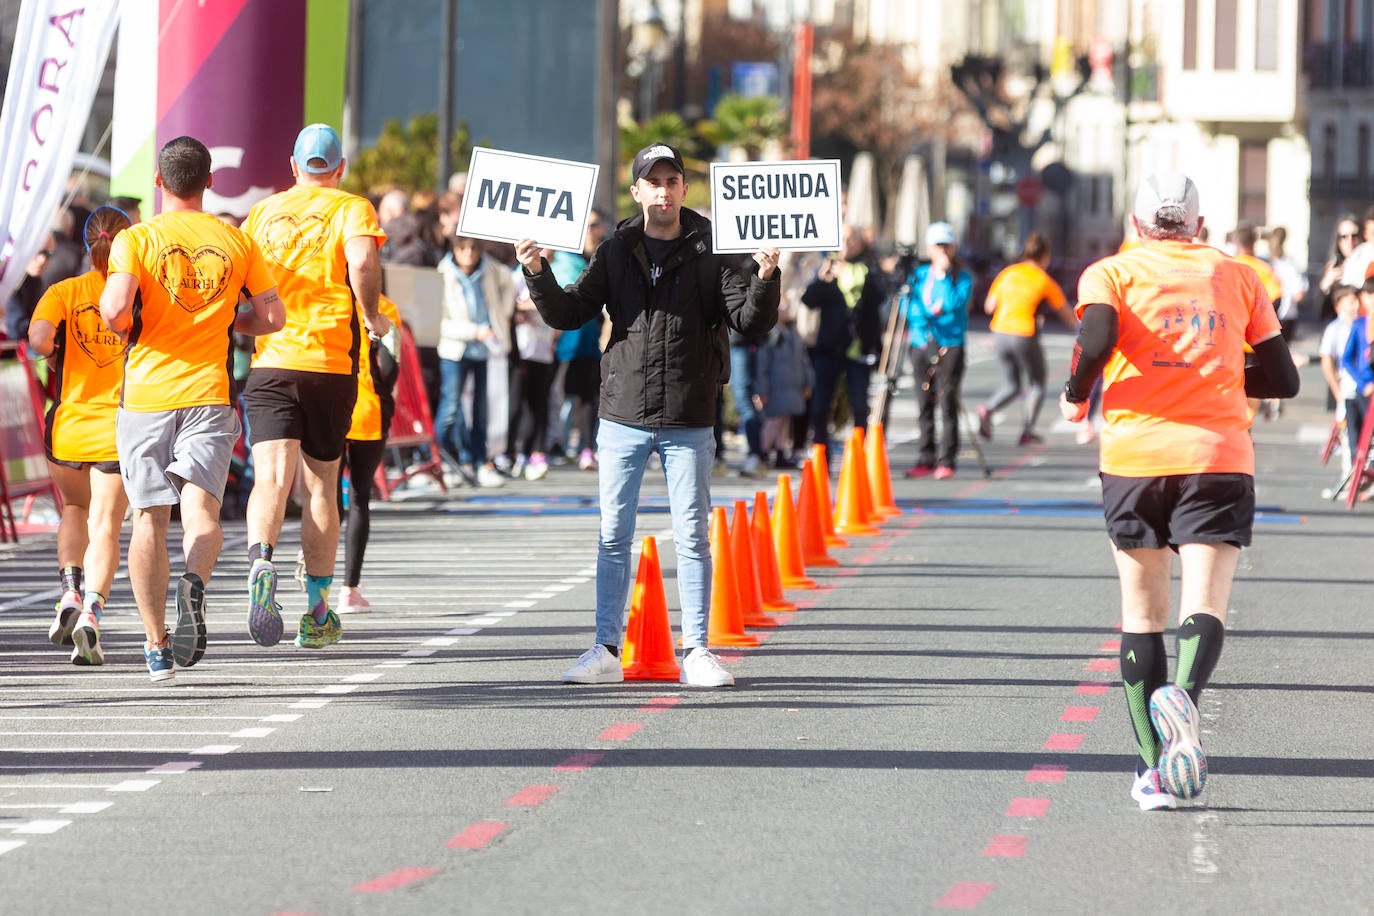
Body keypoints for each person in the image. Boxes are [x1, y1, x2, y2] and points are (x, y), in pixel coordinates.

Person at [1058, 171, 1299, 811]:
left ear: (1135, 225)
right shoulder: (1240, 275)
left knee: (1141, 615)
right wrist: (1216, 368)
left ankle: (1150, 773)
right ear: (1197, 224)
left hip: (1136, 457)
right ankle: (1183, 703)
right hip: (1218, 455)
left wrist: (1077, 393)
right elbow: (1282, 378)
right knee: (1206, 604)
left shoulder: (1110, 273)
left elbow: (1100, 339)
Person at [516, 142, 780, 688]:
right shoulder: (616, 249)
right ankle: (605, 649)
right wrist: (536, 270)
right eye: (652, 181)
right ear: (636, 191)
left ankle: (698, 651)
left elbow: (748, 321)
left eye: (672, 180)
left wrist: (766, 277)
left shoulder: (714, 246)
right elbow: (570, 312)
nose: (663, 190)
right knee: (614, 535)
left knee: (691, 536)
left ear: (685, 188)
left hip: (690, 412)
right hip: (623, 413)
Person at [99, 135, 284, 682]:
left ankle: (156, 647)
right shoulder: (235, 241)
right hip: (209, 393)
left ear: (159, 183)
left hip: (148, 396)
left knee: (148, 520)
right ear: (209, 181)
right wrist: (231, 321)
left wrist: (134, 323)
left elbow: (113, 311)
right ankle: (194, 586)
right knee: (203, 518)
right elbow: (273, 318)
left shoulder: (136, 239)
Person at [241, 123, 390, 651]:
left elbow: (240, 279)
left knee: (270, 480)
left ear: (293, 166)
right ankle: (319, 611)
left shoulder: (261, 213)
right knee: (322, 487)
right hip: (329, 363)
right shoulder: (351, 208)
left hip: (272, 360)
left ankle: (261, 558)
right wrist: (371, 316)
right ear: (340, 168)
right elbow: (364, 261)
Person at [29, 206, 132, 666]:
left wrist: (56, 354)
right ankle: (91, 613)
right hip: (119, 427)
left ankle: (69, 593)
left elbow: (36, 338)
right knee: (105, 525)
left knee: (74, 510)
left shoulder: (65, 291)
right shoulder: (137, 295)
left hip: (68, 426)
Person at [975, 231, 1077, 446]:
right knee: (1037, 382)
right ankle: (1027, 430)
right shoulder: (1043, 279)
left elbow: (989, 306)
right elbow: (1065, 312)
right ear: (1045, 256)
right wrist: (1079, 330)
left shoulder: (1008, 273)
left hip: (1000, 331)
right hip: (1024, 332)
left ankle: (987, 409)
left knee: (1011, 383)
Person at [337, 294, 403, 613]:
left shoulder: (327, 297)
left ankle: (312, 565)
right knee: (360, 496)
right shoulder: (385, 308)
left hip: (331, 407)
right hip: (369, 411)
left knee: (324, 493)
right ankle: (350, 589)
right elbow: (391, 367)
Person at [799, 224, 884, 463]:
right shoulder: (828, 267)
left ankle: (860, 457)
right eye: (842, 240)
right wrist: (822, 281)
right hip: (829, 347)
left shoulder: (867, 268)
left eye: (851, 240)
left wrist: (875, 273)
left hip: (858, 349)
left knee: (859, 403)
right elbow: (809, 300)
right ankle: (820, 456)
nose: (846, 245)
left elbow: (880, 299)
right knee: (820, 405)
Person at [436, 234, 515, 487]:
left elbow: (509, 285)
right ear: (454, 249)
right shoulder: (443, 273)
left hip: (484, 350)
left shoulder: (490, 268)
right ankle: (443, 462)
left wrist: (501, 315)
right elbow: (441, 321)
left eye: (473, 247)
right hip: (455, 350)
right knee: (451, 408)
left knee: (481, 410)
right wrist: (474, 331)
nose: (468, 253)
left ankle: (480, 462)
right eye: (462, 248)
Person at [903, 222, 973, 479]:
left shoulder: (961, 277)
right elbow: (906, 307)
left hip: (950, 345)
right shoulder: (919, 275)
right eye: (937, 245)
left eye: (946, 245)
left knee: (947, 400)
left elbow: (955, 304)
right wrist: (924, 317)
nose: (942, 250)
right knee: (924, 402)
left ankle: (947, 459)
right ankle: (925, 456)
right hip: (921, 343)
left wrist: (944, 276)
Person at [547, 210, 607, 468]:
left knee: (590, 396)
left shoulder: (599, 258)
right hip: (563, 344)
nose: (593, 231)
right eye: (588, 226)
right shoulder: (563, 260)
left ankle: (586, 448)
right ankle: (555, 443)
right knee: (562, 397)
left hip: (589, 341)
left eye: (596, 226)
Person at [505, 248, 557, 480]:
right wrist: (536, 306)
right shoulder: (518, 274)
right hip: (523, 349)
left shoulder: (553, 272)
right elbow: (509, 305)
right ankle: (510, 453)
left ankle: (534, 452)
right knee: (518, 403)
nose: (553, 252)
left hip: (543, 349)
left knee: (539, 404)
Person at [755, 300, 813, 468]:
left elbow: (804, 361)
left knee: (785, 420)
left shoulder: (793, 334)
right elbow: (762, 365)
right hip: (776, 387)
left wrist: (807, 382)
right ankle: (761, 453)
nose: (787, 310)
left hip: (792, 386)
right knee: (773, 420)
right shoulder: (770, 335)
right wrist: (762, 390)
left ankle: (781, 452)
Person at [1319, 284, 1360, 475]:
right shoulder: (1334, 329)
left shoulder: (1365, 323)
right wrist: (1337, 393)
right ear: (1338, 306)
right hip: (1346, 387)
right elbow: (1327, 361)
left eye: (1356, 301)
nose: (1355, 306)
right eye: (1350, 302)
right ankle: (1350, 476)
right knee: (1348, 435)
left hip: (1364, 387)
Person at [1265, 227, 1307, 342]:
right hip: (1287, 314)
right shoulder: (1289, 265)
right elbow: (1300, 294)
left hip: (1270, 315)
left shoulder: (1265, 265)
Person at [1318, 214, 1360, 325]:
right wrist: (1326, 285)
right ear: (1338, 240)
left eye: (1354, 236)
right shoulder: (1332, 267)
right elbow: (1320, 313)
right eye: (1344, 237)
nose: (1350, 241)